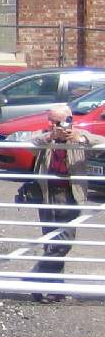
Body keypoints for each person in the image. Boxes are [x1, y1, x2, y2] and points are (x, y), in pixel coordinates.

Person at [24, 104, 103, 301]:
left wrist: (80, 139)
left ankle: (35, 277)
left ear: (69, 120)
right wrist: (49, 137)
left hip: (70, 193)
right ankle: (55, 290)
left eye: (57, 122)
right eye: (51, 121)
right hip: (47, 193)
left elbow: (101, 142)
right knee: (52, 242)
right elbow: (29, 144)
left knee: (63, 241)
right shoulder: (45, 135)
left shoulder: (79, 135)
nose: (54, 125)